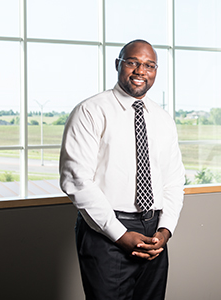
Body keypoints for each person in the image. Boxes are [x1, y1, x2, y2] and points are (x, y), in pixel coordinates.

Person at [59, 39, 185, 300]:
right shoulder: (90, 111)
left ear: (156, 72)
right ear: (118, 64)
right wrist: (119, 234)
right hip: (106, 233)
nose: (141, 71)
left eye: (149, 65)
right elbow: (77, 180)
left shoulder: (163, 119)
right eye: (133, 62)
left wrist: (166, 230)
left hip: (155, 233)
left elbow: (173, 180)